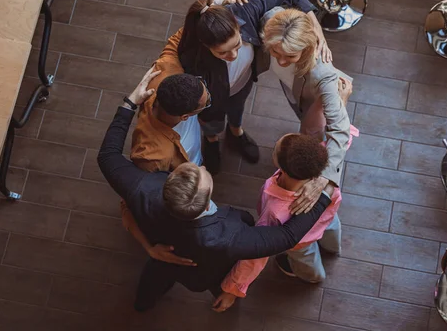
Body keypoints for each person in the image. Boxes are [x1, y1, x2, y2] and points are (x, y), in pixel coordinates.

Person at [97, 67, 335, 312]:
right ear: (207, 196)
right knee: (213, 286)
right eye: (203, 174)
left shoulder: (141, 188)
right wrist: (324, 191)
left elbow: (107, 155)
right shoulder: (227, 236)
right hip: (202, 274)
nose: (200, 168)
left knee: (154, 279)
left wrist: (130, 103)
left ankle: (142, 305)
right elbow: (288, 236)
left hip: (161, 252)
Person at [147, 0, 332, 176]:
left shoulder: (245, 9)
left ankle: (236, 132)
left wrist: (316, 26)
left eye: (236, 45)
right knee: (211, 119)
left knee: (237, 107)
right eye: (223, 52)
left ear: (237, 23)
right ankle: (211, 140)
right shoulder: (191, 57)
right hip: (212, 96)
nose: (233, 55)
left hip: (243, 82)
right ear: (205, 45)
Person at [213, 131, 357, 312]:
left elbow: (258, 253)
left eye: (274, 151)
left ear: (281, 166)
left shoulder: (275, 211)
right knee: (332, 232)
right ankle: (333, 248)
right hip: (328, 218)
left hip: (301, 243)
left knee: (308, 263)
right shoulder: (322, 163)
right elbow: (341, 139)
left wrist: (232, 289)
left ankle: (313, 277)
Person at [259, 7, 355, 215]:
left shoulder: (323, 74)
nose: (281, 60)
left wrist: (323, 178)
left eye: (290, 55)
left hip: (314, 106)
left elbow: (340, 129)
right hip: (296, 93)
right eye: (275, 52)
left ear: (308, 48)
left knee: (312, 132)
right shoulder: (271, 19)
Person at [131, 73, 211, 172]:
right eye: (206, 104)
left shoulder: (165, 74)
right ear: (185, 117)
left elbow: (169, 58)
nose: (208, 95)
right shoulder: (153, 156)